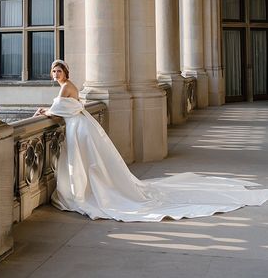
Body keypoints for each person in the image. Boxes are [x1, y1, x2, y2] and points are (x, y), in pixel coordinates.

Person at [34, 59, 268, 222]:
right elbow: (63, 110)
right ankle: (84, 190)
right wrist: (48, 110)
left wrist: (43, 112)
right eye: (54, 72)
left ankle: (85, 193)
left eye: (59, 71)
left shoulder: (66, 88)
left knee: (87, 163)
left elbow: (57, 113)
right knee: (89, 163)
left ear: (66, 73)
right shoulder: (68, 87)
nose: (56, 75)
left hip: (79, 128)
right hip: (79, 126)